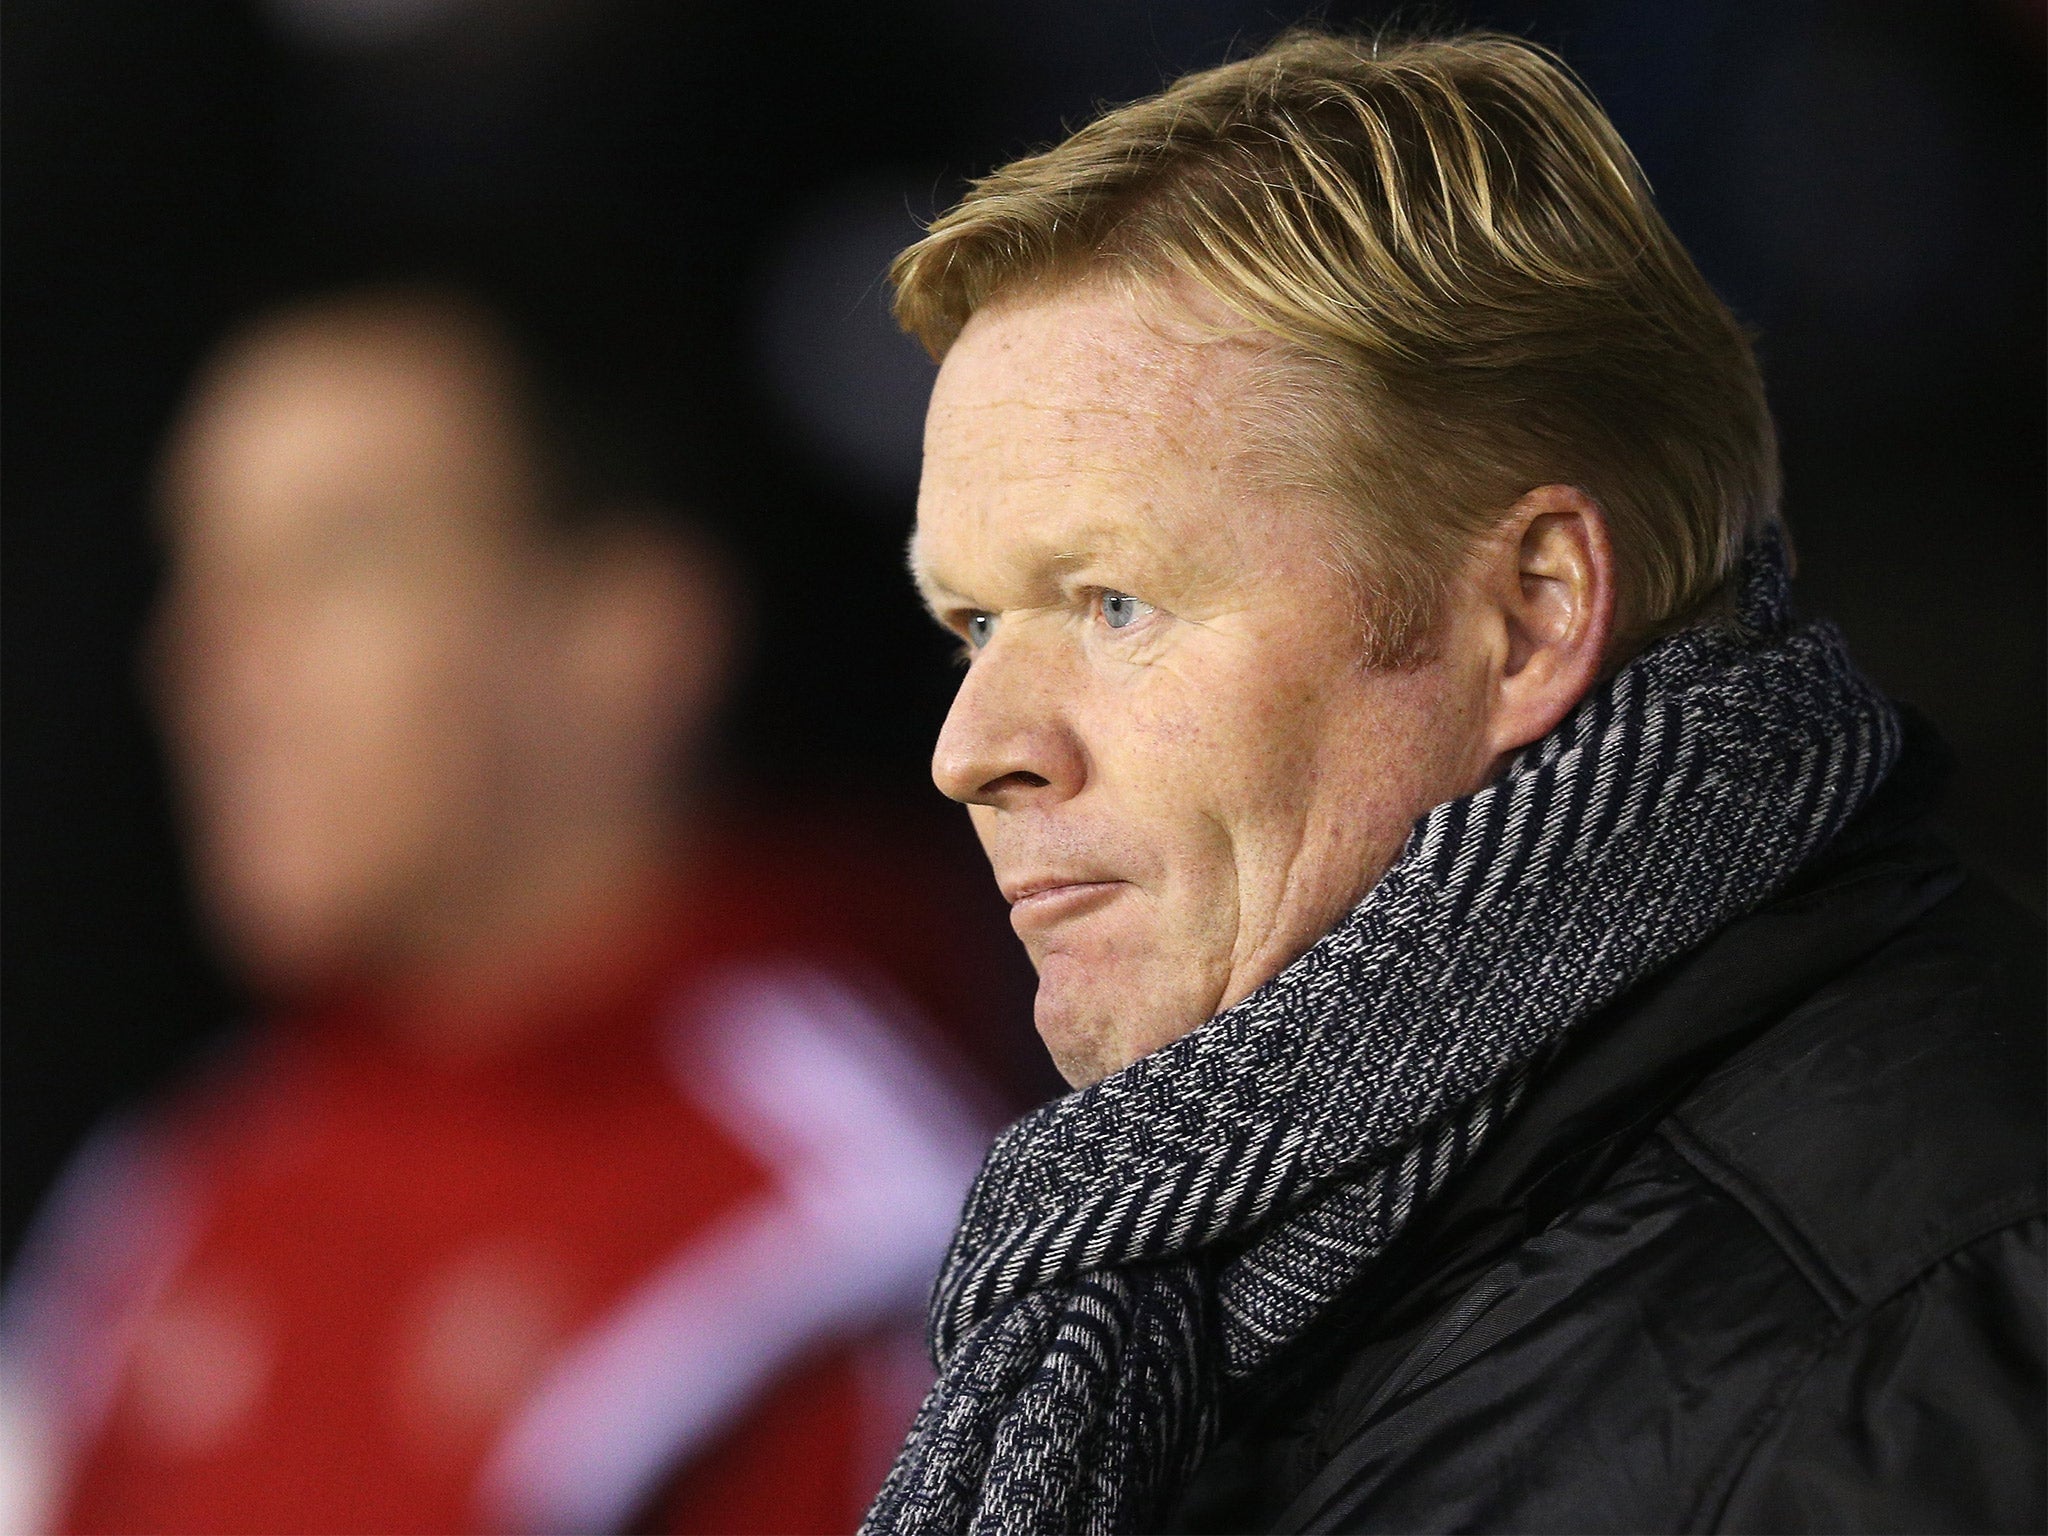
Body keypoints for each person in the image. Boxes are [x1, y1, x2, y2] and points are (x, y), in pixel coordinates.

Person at [861, 29, 2045, 1536]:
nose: (974, 748)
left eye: (1113, 604)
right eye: (971, 624)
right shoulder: (1198, 1279)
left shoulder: (1924, 1338)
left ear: (1533, 612)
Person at [1, 285, 1012, 1534]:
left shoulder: (850, 1225)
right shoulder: (176, 1185)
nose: (210, 656)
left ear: (631, 634)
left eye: (334, 558)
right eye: (199, 567)